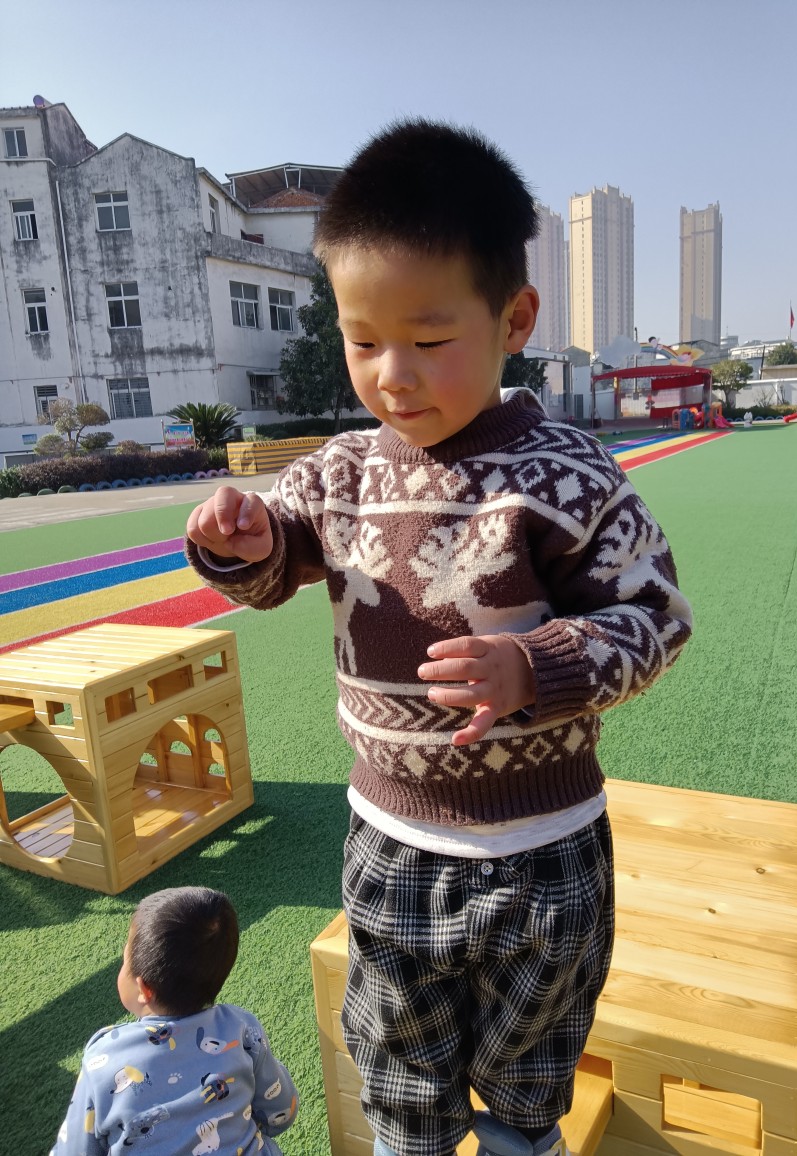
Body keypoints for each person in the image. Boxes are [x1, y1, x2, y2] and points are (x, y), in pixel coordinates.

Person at [185, 120, 693, 1156]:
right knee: (398, 1068)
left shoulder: (569, 472)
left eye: (426, 341)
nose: (392, 375)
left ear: (515, 318)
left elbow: (656, 616)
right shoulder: (340, 471)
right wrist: (243, 541)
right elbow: (277, 559)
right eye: (362, 341)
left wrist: (538, 664)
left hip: (545, 847)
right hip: (393, 839)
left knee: (531, 1065)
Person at [50, 887, 298, 1156]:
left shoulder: (104, 1058)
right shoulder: (241, 1028)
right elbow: (281, 1113)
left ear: (144, 989)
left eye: (124, 961)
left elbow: (74, 1150)